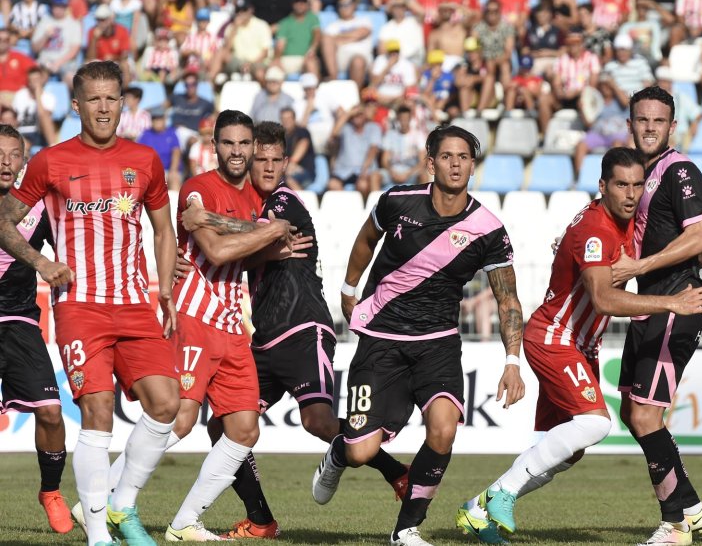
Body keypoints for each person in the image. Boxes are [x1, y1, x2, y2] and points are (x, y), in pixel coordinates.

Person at [457, 147, 702, 546]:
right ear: (603, 186)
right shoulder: (596, 229)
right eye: (620, 185)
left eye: (636, 185)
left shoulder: (622, 221)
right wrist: (672, 302)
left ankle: (479, 508)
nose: (630, 194)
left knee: (566, 449)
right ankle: (503, 494)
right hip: (554, 337)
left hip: (581, 344)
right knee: (596, 423)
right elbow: (603, 299)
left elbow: (686, 245)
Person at [177, 120, 410, 537]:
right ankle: (261, 519)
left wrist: (209, 225)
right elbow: (248, 250)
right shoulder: (249, 205)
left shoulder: (284, 204)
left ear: (286, 163)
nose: (267, 167)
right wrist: (206, 253)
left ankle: (396, 472)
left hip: (303, 329)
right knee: (222, 426)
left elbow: (259, 238)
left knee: (318, 423)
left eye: (274, 160)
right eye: (259, 159)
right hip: (263, 339)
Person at [312, 125, 527, 546]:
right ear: (431, 162)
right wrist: (349, 288)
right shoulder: (397, 201)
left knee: (444, 429)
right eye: (447, 156)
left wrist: (512, 361)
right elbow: (365, 239)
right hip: (380, 340)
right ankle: (339, 452)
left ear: (472, 164)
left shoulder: (488, 229)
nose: (455, 164)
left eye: (464, 157)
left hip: (438, 344)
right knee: (362, 451)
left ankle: (405, 529)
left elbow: (509, 301)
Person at [0, 60, 181, 546]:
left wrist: (165, 289)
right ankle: (99, 535)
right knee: (97, 411)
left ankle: (120, 506)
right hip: (79, 307)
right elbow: (2, 219)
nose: (104, 108)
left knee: (168, 405)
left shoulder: (145, 160)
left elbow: (164, 231)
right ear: (76, 105)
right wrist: (41, 262)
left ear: (124, 103)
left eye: (112, 98)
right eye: (94, 99)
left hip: (135, 305)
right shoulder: (49, 162)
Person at [141, 109, 299, 541]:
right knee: (180, 418)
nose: (237, 151)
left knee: (245, 430)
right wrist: (270, 235)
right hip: (194, 315)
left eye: (244, 144)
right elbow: (216, 252)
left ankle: (184, 523)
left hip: (232, 324)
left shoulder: (255, 197)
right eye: (228, 143)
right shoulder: (198, 188)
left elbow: (249, 247)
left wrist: (271, 240)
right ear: (214, 146)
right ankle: (106, 500)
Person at [613, 86, 702, 543]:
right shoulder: (637, 174)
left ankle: (675, 523)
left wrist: (640, 267)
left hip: (677, 302)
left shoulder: (680, 172)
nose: (650, 127)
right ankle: (691, 505)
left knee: (644, 418)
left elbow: (698, 240)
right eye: (642, 120)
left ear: (672, 126)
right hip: (651, 304)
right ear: (631, 123)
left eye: (659, 121)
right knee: (630, 410)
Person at [0, 124, 72, 535]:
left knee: (50, 412)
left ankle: (50, 491)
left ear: (25, 162)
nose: (6, 161)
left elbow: (72, 249)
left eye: (14, 154)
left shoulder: (38, 208)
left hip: (19, 321)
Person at [329, 103, 383, 197]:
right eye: (354, 115)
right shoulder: (346, 128)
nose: (357, 117)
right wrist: (349, 113)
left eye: (360, 114)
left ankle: (365, 209)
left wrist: (364, 170)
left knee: (363, 185)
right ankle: (348, 207)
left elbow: (373, 150)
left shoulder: (373, 127)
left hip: (363, 171)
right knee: (332, 185)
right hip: (344, 171)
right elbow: (334, 133)